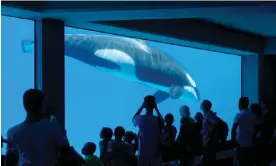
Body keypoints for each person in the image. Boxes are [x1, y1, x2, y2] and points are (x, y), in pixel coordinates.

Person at [5, 89, 70, 166]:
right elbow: (65, 150)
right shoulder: (53, 127)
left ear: (24, 105)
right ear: (42, 105)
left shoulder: (13, 132)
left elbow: (10, 161)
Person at [132, 95, 164, 166]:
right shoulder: (157, 119)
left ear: (144, 105)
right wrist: (156, 109)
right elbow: (162, 123)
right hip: (155, 151)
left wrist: (141, 108)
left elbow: (133, 120)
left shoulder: (140, 118)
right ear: (154, 105)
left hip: (143, 152)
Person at [231, 97, 257, 166]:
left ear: (240, 104)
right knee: (249, 163)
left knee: (241, 162)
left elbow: (233, 129)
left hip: (241, 144)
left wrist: (232, 140)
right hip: (251, 143)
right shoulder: (253, 115)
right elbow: (255, 129)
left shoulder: (239, 115)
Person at [200, 100, 219, 166]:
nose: (201, 106)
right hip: (206, 141)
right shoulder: (207, 115)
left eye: (202, 104)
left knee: (209, 160)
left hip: (209, 141)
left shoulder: (209, 115)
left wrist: (210, 134)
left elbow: (215, 124)